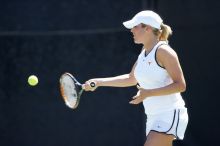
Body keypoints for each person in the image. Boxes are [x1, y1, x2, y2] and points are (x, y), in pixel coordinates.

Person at [83, 10, 188, 146]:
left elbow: (180, 85)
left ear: (148, 28)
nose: (132, 30)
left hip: (169, 114)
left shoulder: (164, 51)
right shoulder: (144, 53)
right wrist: (99, 82)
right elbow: (131, 78)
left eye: (135, 26)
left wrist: (148, 93)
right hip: (152, 116)